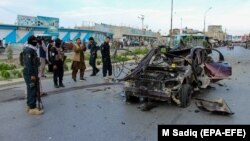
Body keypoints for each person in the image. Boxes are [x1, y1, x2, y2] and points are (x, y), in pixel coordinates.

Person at [23, 35, 44, 115]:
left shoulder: (32, 49)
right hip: (30, 73)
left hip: (32, 72)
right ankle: (32, 108)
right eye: (35, 41)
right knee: (32, 90)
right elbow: (28, 64)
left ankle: (29, 105)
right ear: (33, 42)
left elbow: (34, 62)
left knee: (30, 89)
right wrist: (32, 74)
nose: (37, 43)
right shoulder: (29, 50)